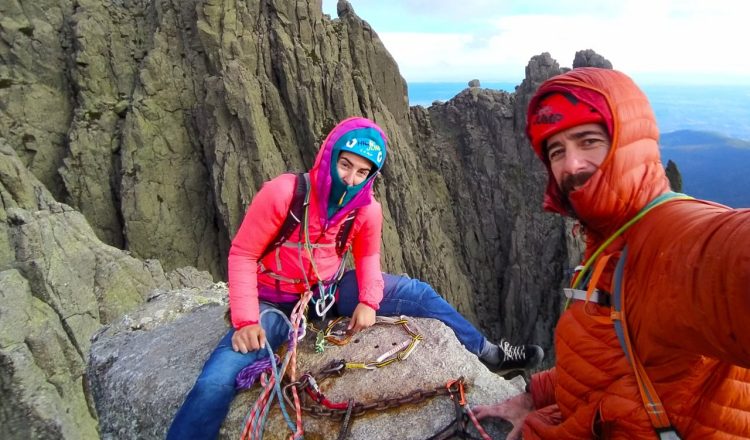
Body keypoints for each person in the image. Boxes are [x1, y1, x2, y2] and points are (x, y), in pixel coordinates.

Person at [167, 116, 544, 439]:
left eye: (363, 172)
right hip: (273, 302)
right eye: (345, 164)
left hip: (325, 293)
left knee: (417, 293)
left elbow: (368, 257)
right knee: (216, 381)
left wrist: (368, 301)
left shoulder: (365, 209)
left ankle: (488, 352)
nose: (351, 178)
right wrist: (247, 320)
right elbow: (244, 253)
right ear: (329, 156)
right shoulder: (284, 193)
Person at [473, 67, 750, 439]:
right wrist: (533, 396)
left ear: (627, 140)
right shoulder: (613, 240)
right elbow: (616, 357)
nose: (571, 164)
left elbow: (728, 259)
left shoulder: (673, 238)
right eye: (557, 151)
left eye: (588, 141)